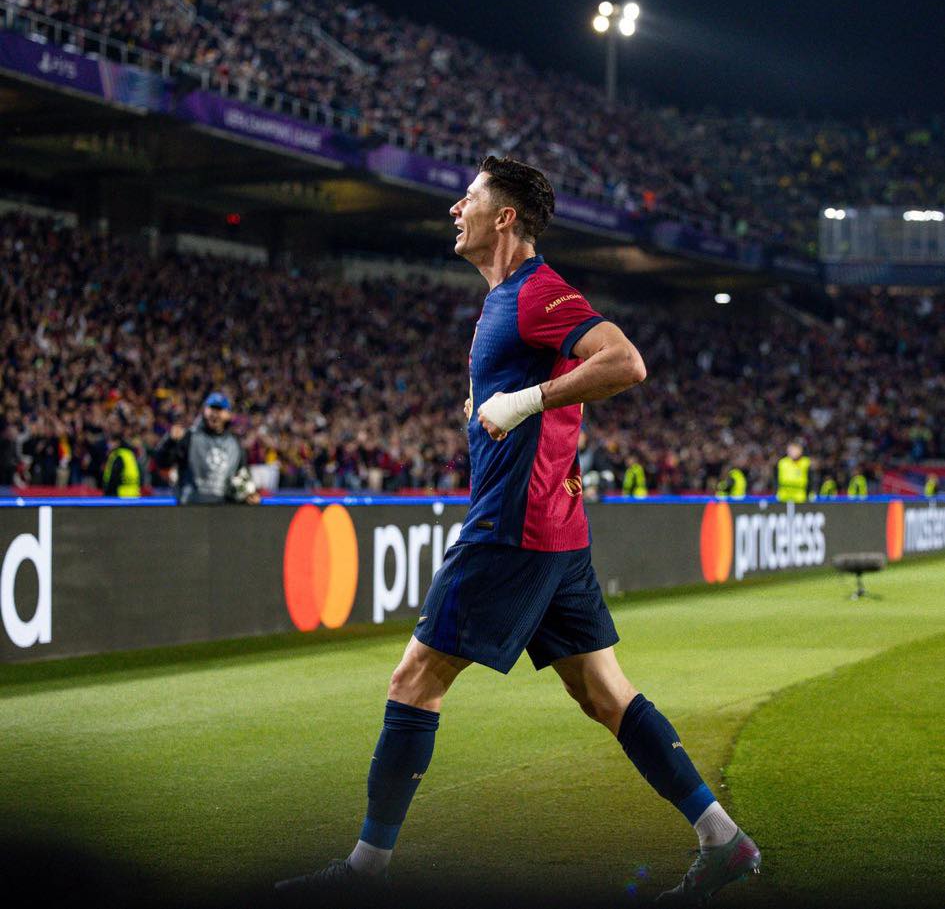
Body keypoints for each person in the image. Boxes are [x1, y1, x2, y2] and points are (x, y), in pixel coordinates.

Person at [277, 157, 760, 906]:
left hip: (513, 528)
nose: (454, 208)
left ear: (504, 216)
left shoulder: (536, 291)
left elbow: (625, 363)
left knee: (414, 680)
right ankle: (723, 839)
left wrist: (526, 399)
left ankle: (364, 874)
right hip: (556, 530)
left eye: (468, 197)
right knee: (603, 693)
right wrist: (505, 406)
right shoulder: (503, 299)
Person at [153, 393, 260, 505]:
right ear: (204, 410)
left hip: (223, 508)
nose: (214, 414)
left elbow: (243, 476)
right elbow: (162, 463)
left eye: (219, 410)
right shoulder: (189, 437)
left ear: (228, 414)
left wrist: (249, 494)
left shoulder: (235, 444)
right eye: (211, 409)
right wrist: (169, 442)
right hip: (191, 507)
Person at [102, 430, 142, 498]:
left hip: (120, 495)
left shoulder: (118, 455)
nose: (108, 444)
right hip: (133, 494)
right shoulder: (129, 454)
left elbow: (114, 476)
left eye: (111, 441)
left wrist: (108, 492)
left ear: (117, 442)